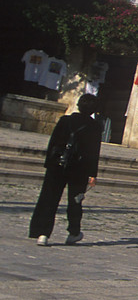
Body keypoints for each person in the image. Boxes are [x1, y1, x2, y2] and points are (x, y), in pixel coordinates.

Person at [29, 93, 102, 245]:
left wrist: (49, 163)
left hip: (57, 165)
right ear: (94, 110)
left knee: (49, 198)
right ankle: (73, 232)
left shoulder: (65, 121)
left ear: (78, 105)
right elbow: (93, 153)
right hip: (79, 169)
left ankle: (43, 233)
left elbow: (53, 143)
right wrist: (92, 174)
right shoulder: (94, 127)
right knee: (75, 201)